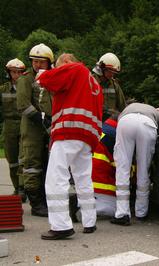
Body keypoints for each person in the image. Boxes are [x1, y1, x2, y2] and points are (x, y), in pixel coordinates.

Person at [36, 53, 103, 240]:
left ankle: (61, 226)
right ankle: (89, 221)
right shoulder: (94, 82)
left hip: (69, 130)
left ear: (65, 63)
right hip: (87, 136)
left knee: (56, 178)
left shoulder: (75, 68)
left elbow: (47, 79)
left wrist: (43, 73)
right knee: (83, 178)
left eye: (59, 67)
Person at [16, 43, 54, 217]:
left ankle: (46, 199)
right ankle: (36, 203)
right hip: (32, 130)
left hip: (50, 128)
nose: (37, 65)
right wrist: (41, 118)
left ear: (49, 62)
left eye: (41, 62)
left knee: (49, 165)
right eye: (34, 61)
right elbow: (23, 104)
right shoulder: (26, 79)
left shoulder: (53, 77)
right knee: (32, 166)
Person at [111, 103, 159, 226]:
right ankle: (141, 212)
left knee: (122, 168)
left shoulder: (129, 108)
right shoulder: (156, 111)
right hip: (147, 124)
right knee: (144, 169)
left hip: (125, 122)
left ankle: (122, 214)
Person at [0, 58, 26, 202]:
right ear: (8, 73)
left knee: (23, 158)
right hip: (9, 126)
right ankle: (16, 187)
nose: (15, 75)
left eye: (18, 72)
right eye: (13, 72)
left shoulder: (27, 87)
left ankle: (23, 189)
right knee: (12, 160)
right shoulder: (3, 89)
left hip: (23, 123)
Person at [92, 53, 126, 121]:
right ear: (102, 68)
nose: (112, 75)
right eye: (110, 71)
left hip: (109, 125)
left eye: (114, 72)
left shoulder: (114, 85)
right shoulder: (90, 83)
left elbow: (122, 107)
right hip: (93, 123)